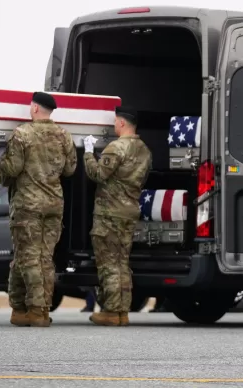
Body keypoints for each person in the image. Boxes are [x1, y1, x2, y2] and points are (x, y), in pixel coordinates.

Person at [0, 92, 77, 328]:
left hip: (27, 205)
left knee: (29, 258)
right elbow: (70, 169)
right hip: (53, 205)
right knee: (42, 258)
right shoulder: (64, 135)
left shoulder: (22, 134)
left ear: (35, 108)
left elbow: (12, 169)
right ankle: (20, 308)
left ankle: (38, 310)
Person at [82, 106, 151, 327]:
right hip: (129, 211)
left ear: (121, 123)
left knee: (108, 263)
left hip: (109, 213)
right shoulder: (144, 151)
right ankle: (122, 311)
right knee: (122, 262)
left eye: (114, 122)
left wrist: (88, 153)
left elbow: (98, 174)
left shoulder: (116, 147)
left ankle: (111, 311)